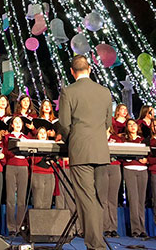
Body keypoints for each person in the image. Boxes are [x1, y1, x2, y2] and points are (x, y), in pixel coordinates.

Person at [59, 55, 112, 250]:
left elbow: (64, 124)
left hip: (80, 151)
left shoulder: (68, 91)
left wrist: (70, 140)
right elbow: (108, 123)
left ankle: (96, 245)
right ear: (89, 69)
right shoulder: (105, 92)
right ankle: (97, 241)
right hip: (100, 150)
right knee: (98, 199)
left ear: (72, 72)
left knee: (88, 199)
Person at [122, 119, 148, 238]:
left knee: (141, 201)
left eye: (134, 124)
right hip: (130, 170)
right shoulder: (124, 140)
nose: (132, 126)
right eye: (130, 125)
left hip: (142, 171)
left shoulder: (142, 140)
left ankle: (142, 229)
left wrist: (146, 161)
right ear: (127, 127)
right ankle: (135, 230)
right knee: (133, 199)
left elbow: (149, 155)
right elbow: (122, 157)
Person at [4, 116, 29, 235]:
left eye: (20, 122)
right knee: (10, 198)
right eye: (16, 122)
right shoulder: (8, 137)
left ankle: (20, 227)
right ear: (12, 125)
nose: (18, 124)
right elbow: (6, 152)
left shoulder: (26, 138)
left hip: (23, 166)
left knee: (22, 199)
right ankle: (11, 227)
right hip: (11, 166)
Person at [97, 126, 122, 238]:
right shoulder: (97, 137)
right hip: (102, 167)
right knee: (102, 199)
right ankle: (105, 227)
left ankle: (113, 228)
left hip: (114, 167)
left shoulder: (116, 138)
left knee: (112, 199)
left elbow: (122, 152)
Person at [30, 127, 55, 209]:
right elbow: (35, 160)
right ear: (37, 135)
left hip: (50, 174)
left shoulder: (51, 144)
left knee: (48, 201)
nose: (43, 134)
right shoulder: (34, 144)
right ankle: (38, 221)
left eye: (44, 133)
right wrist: (45, 159)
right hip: (38, 174)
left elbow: (55, 159)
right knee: (38, 201)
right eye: (40, 133)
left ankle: (46, 221)